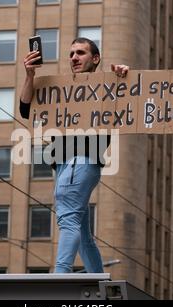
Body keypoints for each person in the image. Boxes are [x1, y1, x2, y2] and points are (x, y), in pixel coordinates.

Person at [19, 37, 129, 273]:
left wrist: (124, 76)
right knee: (82, 234)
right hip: (62, 165)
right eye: (71, 54)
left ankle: (60, 279)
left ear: (95, 59)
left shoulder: (107, 87)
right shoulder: (60, 89)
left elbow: (134, 98)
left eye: (80, 53)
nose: (74, 58)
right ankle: (100, 286)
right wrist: (29, 75)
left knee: (67, 218)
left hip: (82, 159)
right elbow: (25, 107)